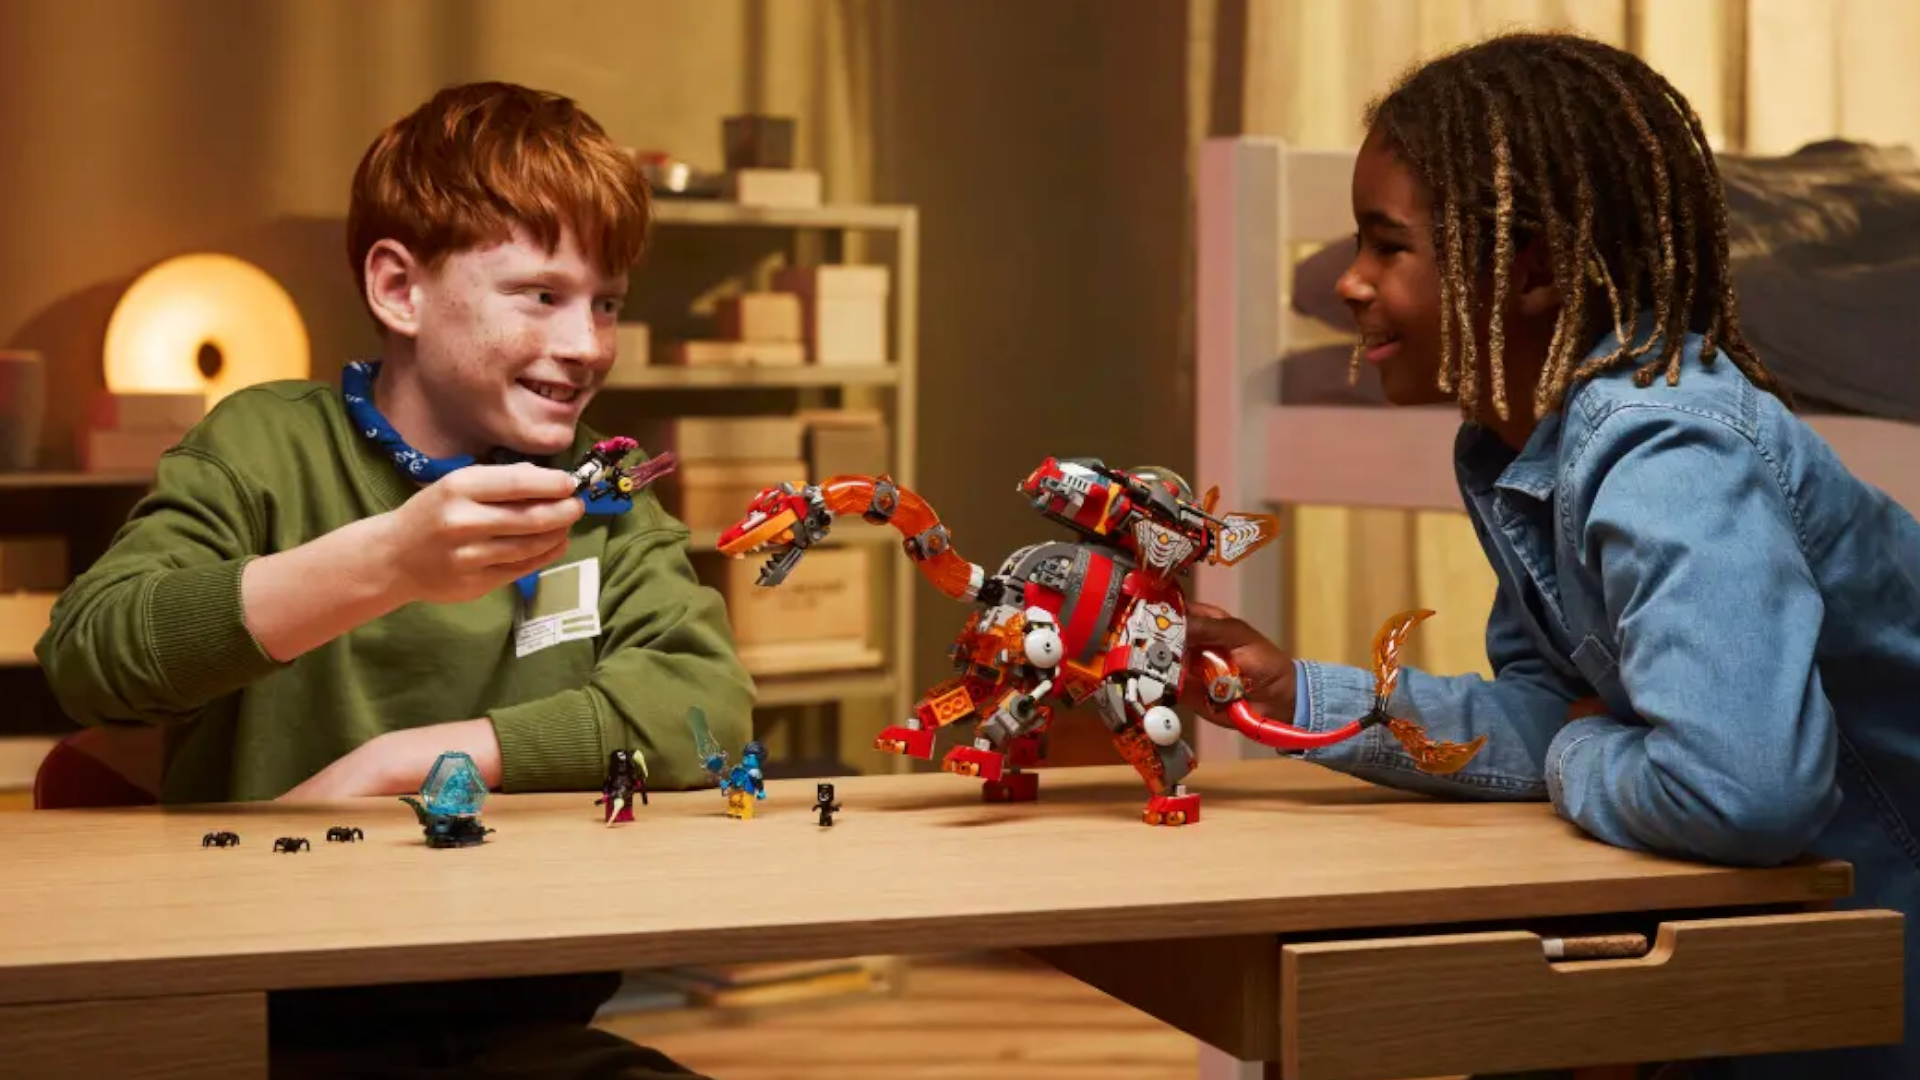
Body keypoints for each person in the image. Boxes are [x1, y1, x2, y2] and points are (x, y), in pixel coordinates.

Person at [1183, 32, 1920, 1080]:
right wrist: (1295, 693)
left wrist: (1586, 751)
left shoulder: (1669, 453)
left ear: (1528, 272)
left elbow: (1746, 793)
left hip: (1879, 950)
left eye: (1387, 246)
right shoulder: (1519, 447)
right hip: (1805, 938)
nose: (1348, 283)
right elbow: (1550, 713)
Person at [35, 81, 753, 1079]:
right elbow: (90, 657)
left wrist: (405, 762)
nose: (588, 344)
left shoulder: (603, 492)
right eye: (541, 295)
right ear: (399, 289)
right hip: (270, 1024)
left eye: (607, 303)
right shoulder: (264, 444)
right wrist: (387, 561)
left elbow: (706, 707)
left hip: (519, 1020)